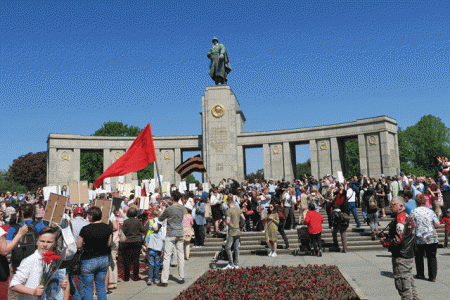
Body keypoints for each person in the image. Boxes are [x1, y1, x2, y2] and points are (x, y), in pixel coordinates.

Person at [10, 226, 70, 300]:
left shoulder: (57, 260)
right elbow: (14, 284)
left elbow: (65, 284)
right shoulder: (29, 261)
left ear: (55, 243)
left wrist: (61, 284)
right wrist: (33, 292)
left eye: (49, 242)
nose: (45, 245)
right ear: (37, 242)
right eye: (42, 241)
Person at [380, 196, 418, 299]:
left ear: (401, 206)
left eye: (392, 205)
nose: (390, 207)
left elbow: (398, 239)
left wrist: (386, 243)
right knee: (410, 285)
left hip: (401, 257)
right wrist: (388, 237)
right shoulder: (408, 217)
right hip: (408, 255)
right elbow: (406, 235)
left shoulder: (400, 218)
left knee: (404, 288)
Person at [77, 206, 113, 300]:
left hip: (89, 259)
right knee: (101, 286)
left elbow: (78, 245)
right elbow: (109, 243)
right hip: (103, 258)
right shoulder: (107, 227)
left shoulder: (85, 229)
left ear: (91, 216)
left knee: (88, 288)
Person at [410, 194, 440, 282]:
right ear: (425, 202)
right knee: (432, 256)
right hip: (432, 237)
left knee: (419, 256)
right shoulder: (430, 211)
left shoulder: (414, 212)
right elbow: (437, 224)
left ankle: (420, 274)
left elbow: (410, 225)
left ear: (416, 202)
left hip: (420, 237)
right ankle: (432, 276)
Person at [158, 191, 185, 287]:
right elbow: (175, 208)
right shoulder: (182, 208)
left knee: (167, 256)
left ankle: (164, 280)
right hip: (180, 232)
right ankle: (181, 277)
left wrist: (165, 207)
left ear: (172, 197)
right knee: (180, 255)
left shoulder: (169, 209)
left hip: (170, 233)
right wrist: (168, 205)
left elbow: (161, 218)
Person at [120, 207, 146, 282]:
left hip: (127, 241)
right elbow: (143, 230)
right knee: (136, 260)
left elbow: (124, 231)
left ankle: (126, 277)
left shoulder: (126, 222)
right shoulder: (138, 221)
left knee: (126, 260)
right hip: (137, 241)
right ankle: (135, 276)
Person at [223, 197, 245, 269]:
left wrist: (229, 225)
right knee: (236, 248)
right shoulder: (238, 209)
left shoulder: (229, 211)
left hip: (232, 231)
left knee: (228, 247)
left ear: (228, 203)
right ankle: (236, 263)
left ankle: (231, 263)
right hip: (238, 230)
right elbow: (243, 218)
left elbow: (227, 221)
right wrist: (241, 225)